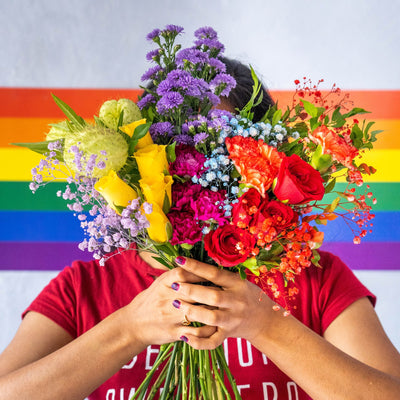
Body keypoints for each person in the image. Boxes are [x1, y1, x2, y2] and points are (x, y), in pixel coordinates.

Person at [1, 60, 400, 400]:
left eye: (220, 146)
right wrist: (127, 329)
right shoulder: (83, 287)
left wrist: (266, 325)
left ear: (265, 158)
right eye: (176, 146)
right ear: (140, 157)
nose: (195, 165)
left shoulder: (317, 278)